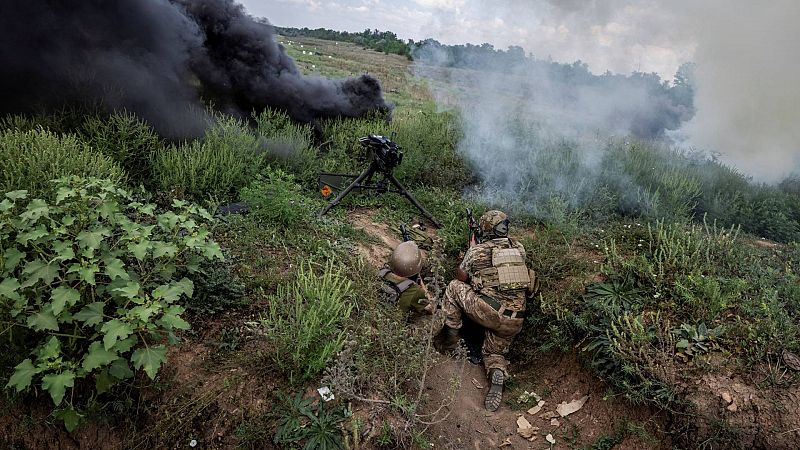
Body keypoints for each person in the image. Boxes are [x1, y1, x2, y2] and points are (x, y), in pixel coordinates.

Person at [435, 210, 537, 412]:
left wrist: (471, 251)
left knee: (454, 287)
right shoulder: (519, 248)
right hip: (515, 320)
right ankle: (497, 370)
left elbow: (462, 277)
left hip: (489, 313)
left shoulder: (477, 251)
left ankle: (450, 340)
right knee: (493, 352)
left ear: (487, 229)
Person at [378, 241, 436, 318]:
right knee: (439, 315)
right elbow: (432, 309)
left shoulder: (383, 272)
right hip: (395, 324)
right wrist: (422, 285)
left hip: (378, 313)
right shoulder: (415, 290)